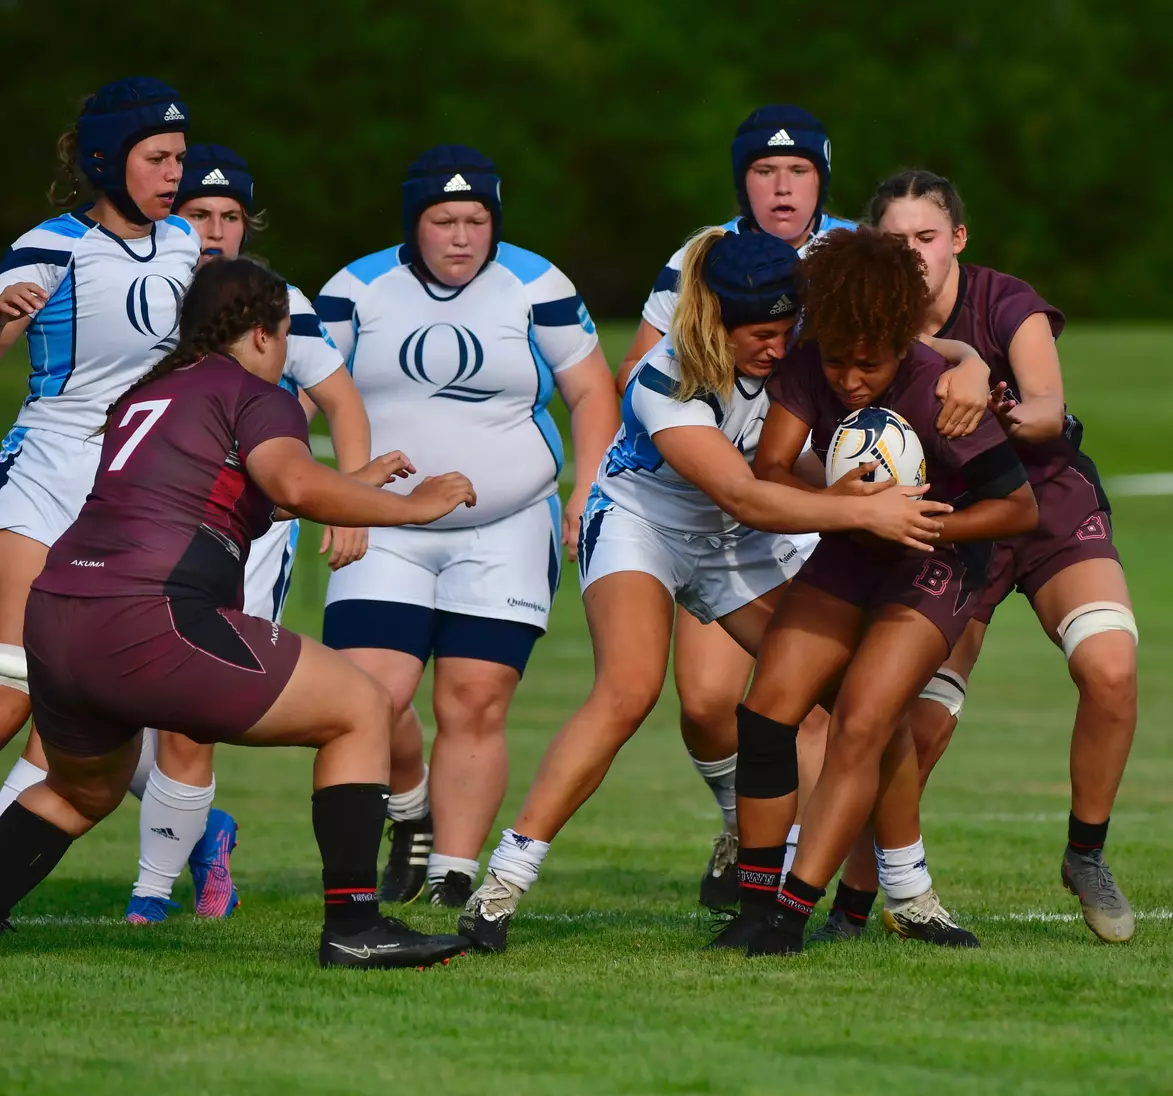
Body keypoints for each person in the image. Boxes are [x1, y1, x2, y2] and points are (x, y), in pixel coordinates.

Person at [453, 227, 951, 952]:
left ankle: (907, 891)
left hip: (737, 542)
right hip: (641, 525)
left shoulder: (798, 339)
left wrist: (963, 370)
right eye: (761, 336)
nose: (780, 349)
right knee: (628, 690)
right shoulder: (666, 378)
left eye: (788, 331)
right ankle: (501, 887)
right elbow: (745, 494)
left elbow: (904, 343)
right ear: (716, 320)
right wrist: (862, 509)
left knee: (859, 705)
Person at [0, 257, 475, 969]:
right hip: (147, 614)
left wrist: (348, 484)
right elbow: (290, 480)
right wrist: (412, 507)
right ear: (260, 334)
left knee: (79, 789)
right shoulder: (259, 392)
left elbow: (242, 495)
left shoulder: (151, 393)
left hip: (59, 613)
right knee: (362, 707)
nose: (284, 352)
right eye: (284, 336)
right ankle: (355, 927)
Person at [825, 170, 1138, 944]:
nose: (915, 255)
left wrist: (984, 390)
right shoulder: (870, 321)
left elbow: (1045, 410)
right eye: (897, 242)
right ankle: (855, 907)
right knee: (916, 728)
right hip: (952, 522)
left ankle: (1086, 853)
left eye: (928, 239)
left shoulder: (1006, 301)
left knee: (1110, 666)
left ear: (957, 239)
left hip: (1046, 504)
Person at [315, 146, 621, 907]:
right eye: (443, 221)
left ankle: (453, 874)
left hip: (508, 525)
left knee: (474, 701)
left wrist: (585, 490)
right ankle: (409, 802)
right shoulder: (355, 290)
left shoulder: (536, 284)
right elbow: (302, 393)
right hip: (384, 524)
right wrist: (329, 492)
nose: (461, 237)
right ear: (413, 224)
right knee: (369, 697)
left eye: (476, 221)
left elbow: (590, 390)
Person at [733, 227, 1040, 956]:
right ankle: (752, 901)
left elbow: (1019, 509)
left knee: (864, 724)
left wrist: (930, 524)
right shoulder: (815, 362)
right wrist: (841, 502)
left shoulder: (938, 391)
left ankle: (790, 913)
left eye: (866, 365)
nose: (847, 380)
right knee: (766, 710)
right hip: (849, 548)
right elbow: (771, 467)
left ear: (901, 342)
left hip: (932, 561)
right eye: (837, 361)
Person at [120, 144, 375, 925]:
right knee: (98, 699)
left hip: (245, 532)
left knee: (187, 709)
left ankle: (149, 901)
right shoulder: (140, 286)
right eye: (201, 213)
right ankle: (203, 837)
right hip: (137, 524)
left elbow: (343, 401)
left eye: (231, 217)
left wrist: (348, 504)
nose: (216, 231)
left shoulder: (275, 298)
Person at [612, 106, 856, 909]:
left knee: (814, 698)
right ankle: (742, 825)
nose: (781, 186)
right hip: (725, 504)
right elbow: (644, 367)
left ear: (822, 179)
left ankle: (798, 876)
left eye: (799, 171)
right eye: (763, 170)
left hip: (828, 490)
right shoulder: (701, 256)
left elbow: (913, 351)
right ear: (741, 180)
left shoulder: (855, 251)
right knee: (710, 704)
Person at [0, 78, 198, 815]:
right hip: (46, 472)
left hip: (131, 493)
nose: (174, 174)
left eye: (180, 157)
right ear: (109, 161)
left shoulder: (184, 244)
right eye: (158, 157)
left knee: (74, 702)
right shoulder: (50, 246)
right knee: (13, 687)